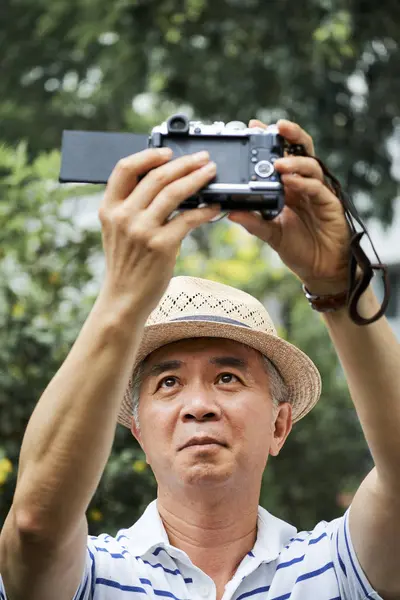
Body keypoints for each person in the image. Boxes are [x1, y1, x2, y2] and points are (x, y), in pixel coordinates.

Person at [0, 119, 398, 600]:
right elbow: (33, 528)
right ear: (138, 429)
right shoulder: (92, 574)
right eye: (167, 383)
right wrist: (122, 298)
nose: (198, 405)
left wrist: (337, 283)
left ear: (279, 425)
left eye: (228, 377)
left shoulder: (335, 566)